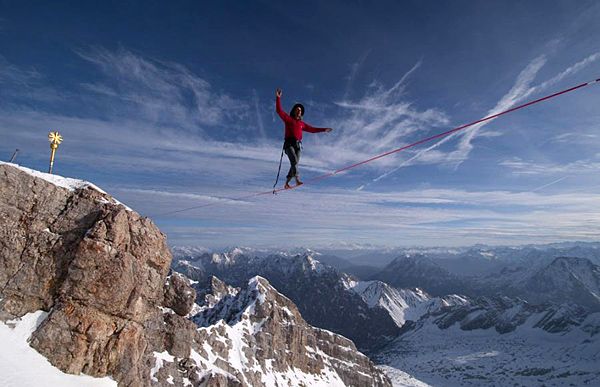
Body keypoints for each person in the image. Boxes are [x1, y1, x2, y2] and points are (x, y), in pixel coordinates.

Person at [275, 88, 332, 189]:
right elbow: (279, 111)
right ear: (294, 111)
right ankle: (297, 180)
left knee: (295, 163)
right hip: (289, 144)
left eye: (300, 110)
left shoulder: (302, 124)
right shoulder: (288, 119)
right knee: (294, 161)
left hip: (298, 145)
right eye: (297, 109)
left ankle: (287, 183)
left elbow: (312, 129)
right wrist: (278, 98)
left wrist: (324, 130)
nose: (299, 111)